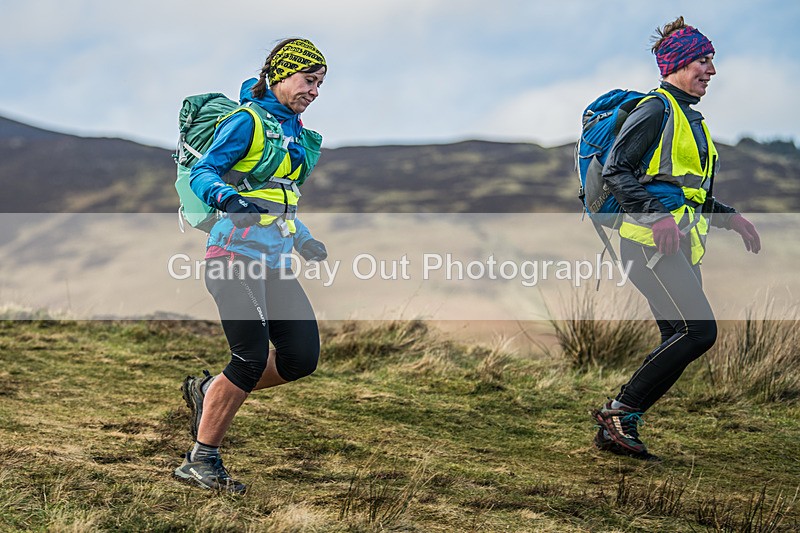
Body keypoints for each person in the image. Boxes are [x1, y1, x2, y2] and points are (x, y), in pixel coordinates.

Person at [591, 17, 761, 460]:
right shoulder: (655, 110)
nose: (712, 70)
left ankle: (618, 425)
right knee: (699, 332)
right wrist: (656, 218)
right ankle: (620, 410)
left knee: (678, 336)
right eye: (704, 60)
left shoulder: (693, 120)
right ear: (680, 62)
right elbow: (616, 171)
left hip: (679, 245)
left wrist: (730, 218)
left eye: (712, 60)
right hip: (648, 243)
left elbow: (689, 192)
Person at [173, 38, 329, 493]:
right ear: (281, 75)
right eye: (309, 80)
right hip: (232, 258)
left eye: (320, 84)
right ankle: (201, 461)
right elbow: (206, 173)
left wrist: (304, 239)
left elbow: (280, 198)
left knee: (301, 357)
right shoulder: (248, 121)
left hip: (275, 262)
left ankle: (209, 392)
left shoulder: (295, 133)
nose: (315, 91)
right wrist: (227, 198)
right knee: (251, 356)